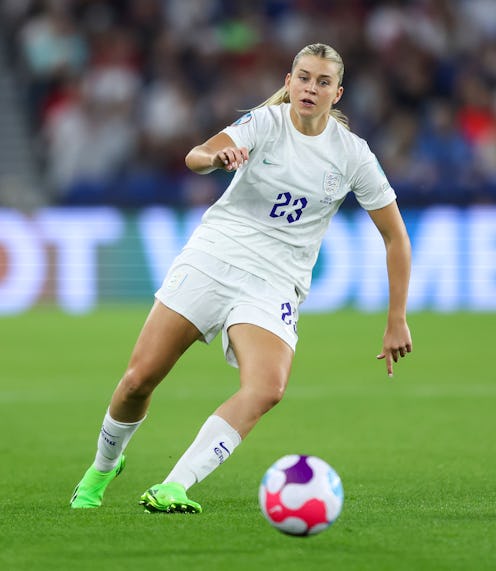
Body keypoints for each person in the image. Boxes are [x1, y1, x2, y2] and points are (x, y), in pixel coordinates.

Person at [70, 43, 412, 513]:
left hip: (274, 280)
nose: (311, 88)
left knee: (267, 388)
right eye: (304, 78)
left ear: (338, 93)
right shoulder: (264, 123)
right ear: (289, 82)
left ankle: (174, 485)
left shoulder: (353, 156)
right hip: (215, 255)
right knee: (138, 380)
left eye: (323, 82)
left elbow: (396, 237)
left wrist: (397, 318)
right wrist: (216, 158)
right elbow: (196, 155)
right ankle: (102, 469)